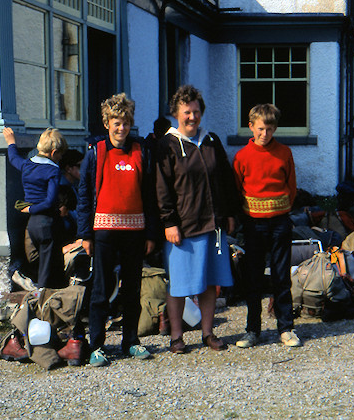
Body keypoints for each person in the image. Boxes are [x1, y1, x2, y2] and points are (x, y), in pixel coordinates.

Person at [77, 92, 158, 367]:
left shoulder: (141, 151)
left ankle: (131, 341)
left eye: (125, 122)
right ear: (107, 123)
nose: (121, 128)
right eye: (115, 122)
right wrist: (85, 234)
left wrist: (150, 234)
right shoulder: (95, 152)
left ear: (130, 123)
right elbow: (84, 195)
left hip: (135, 232)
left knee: (132, 290)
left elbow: (149, 195)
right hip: (103, 232)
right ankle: (97, 345)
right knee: (100, 291)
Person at [155, 84, 238, 354]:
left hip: (213, 225)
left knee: (208, 283)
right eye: (187, 112)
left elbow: (225, 180)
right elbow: (161, 187)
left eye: (196, 111)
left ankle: (207, 332)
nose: (192, 117)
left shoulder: (211, 141)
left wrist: (229, 214)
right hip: (183, 227)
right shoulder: (166, 145)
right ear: (176, 113)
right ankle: (177, 337)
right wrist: (169, 222)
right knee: (179, 285)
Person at [232, 103, 301, 348]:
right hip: (253, 224)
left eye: (270, 129)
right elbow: (237, 190)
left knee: (282, 276)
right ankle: (253, 330)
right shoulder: (241, 156)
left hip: (280, 221)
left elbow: (291, 188)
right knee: (253, 278)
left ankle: (286, 328)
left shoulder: (284, 153)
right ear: (251, 127)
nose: (265, 134)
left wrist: (280, 210)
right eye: (261, 129)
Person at [3, 127, 68, 289]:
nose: (60, 158)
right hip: (47, 222)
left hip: (32, 225)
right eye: (60, 154)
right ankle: (44, 304)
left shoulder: (27, 165)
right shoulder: (53, 170)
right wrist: (31, 209)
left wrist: (11, 142)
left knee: (37, 262)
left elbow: (13, 158)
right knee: (49, 269)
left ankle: (35, 289)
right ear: (53, 153)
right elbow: (49, 201)